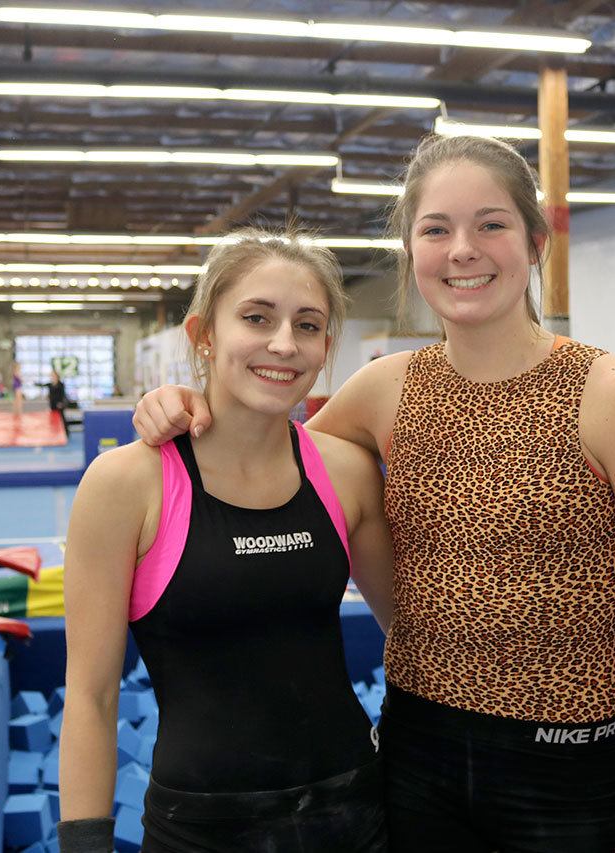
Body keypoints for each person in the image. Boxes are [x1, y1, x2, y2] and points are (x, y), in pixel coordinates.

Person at [132, 134, 615, 852]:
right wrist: (182, 404)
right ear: (411, 251)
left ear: (534, 243)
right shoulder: (387, 390)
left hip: (565, 761)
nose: (462, 249)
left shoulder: (612, 394)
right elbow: (266, 439)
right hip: (417, 755)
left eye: (491, 224)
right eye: (436, 229)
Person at [58, 230, 393, 853]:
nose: (284, 344)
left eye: (309, 325)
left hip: (355, 812)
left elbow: (419, 629)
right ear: (203, 335)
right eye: (256, 318)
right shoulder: (127, 485)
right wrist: (83, 845)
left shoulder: (344, 472)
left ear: (326, 347)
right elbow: (93, 695)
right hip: (202, 829)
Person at [37, 369, 70, 436]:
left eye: (53, 375)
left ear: (57, 376)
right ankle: (55, 433)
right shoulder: (50, 384)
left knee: (62, 419)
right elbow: (42, 385)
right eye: (51, 375)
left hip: (59, 405)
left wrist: (61, 403)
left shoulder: (61, 385)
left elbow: (63, 395)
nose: (52, 377)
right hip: (52, 404)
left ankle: (66, 433)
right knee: (53, 419)